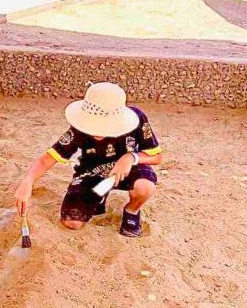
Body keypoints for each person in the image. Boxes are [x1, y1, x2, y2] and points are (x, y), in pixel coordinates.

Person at [14, 82, 163, 237]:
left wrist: (131, 157)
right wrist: (28, 182)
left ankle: (132, 211)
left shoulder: (137, 119)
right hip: (91, 173)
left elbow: (157, 156)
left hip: (129, 169)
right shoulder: (80, 127)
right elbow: (47, 159)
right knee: (72, 222)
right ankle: (99, 197)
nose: (96, 130)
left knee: (145, 187)